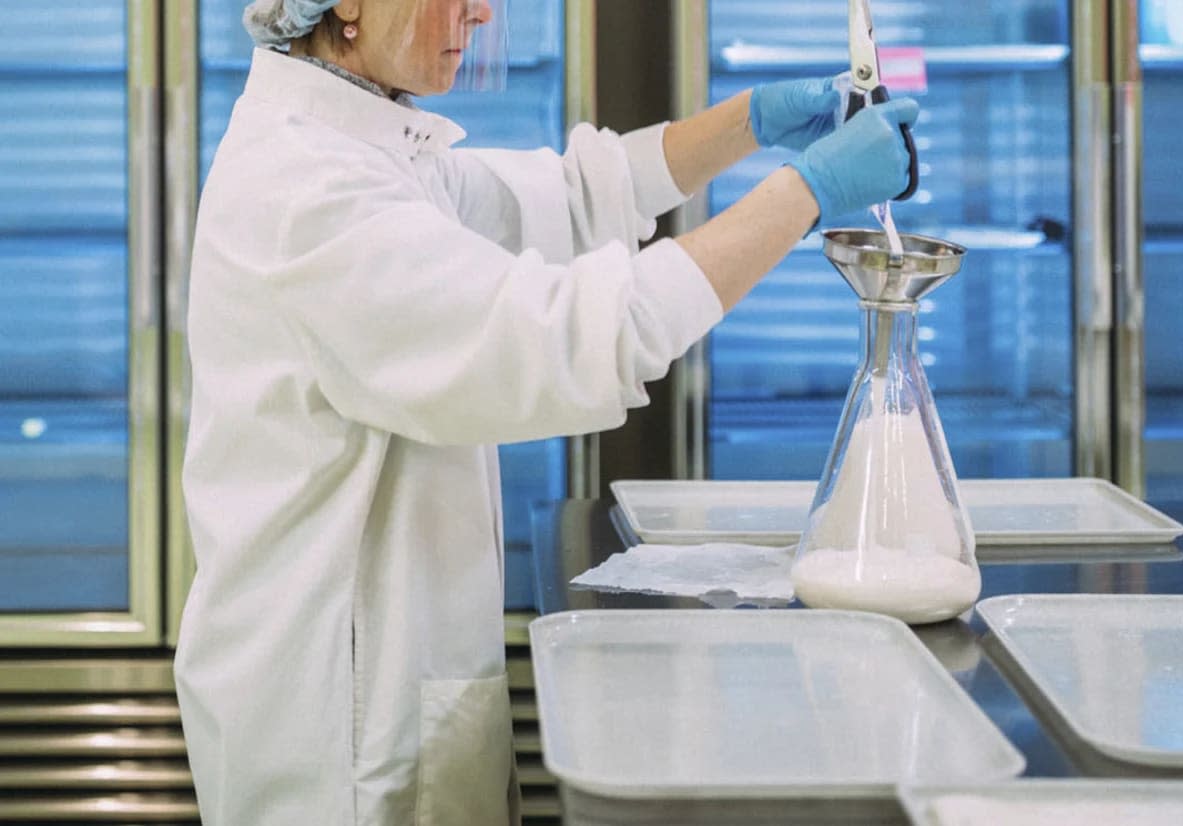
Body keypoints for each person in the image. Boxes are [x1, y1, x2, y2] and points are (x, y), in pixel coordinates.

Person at [171, 0, 919, 823]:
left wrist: (751, 122)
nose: (481, 11)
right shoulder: (309, 191)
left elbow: (567, 196)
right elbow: (570, 338)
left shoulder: (367, 140)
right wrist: (805, 195)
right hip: (334, 733)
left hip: (379, 678)